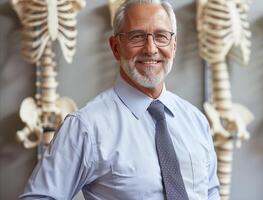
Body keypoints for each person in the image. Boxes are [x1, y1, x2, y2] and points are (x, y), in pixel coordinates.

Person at [20, 0, 220, 199]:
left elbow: (211, 193)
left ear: (174, 45)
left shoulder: (196, 121)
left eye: (161, 36)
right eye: (137, 37)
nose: (150, 49)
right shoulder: (86, 128)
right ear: (115, 47)